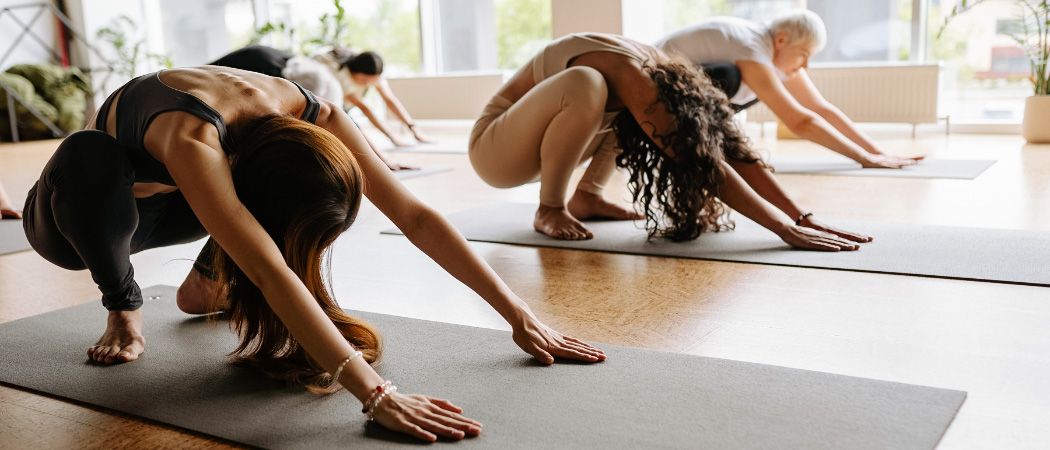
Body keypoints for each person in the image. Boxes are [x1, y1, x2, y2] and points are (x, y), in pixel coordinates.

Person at [21, 66, 605, 442]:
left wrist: (519, 315)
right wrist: (375, 394)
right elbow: (271, 272)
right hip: (76, 223)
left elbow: (415, 216)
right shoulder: (192, 138)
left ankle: (208, 277)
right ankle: (122, 306)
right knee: (89, 156)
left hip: (186, 202)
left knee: (203, 293)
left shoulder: (318, 117)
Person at [470, 32, 871, 249]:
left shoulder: (664, 72)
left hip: (541, 146)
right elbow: (698, 160)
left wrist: (801, 216)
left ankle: (586, 197)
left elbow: (731, 152)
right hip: (496, 151)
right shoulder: (633, 72)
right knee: (585, 83)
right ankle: (549, 208)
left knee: (625, 113)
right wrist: (780, 228)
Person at [656, 10, 922, 169]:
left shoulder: (773, 50)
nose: (806, 65)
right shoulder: (752, 47)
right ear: (782, 39)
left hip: (681, 89)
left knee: (757, 82)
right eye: (804, 55)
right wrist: (863, 158)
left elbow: (820, 109)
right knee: (732, 76)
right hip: (654, 89)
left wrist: (878, 153)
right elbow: (799, 122)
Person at [208, 45, 413, 170]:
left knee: (207, 75)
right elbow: (352, 127)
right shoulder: (328, 94)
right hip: (265, 63)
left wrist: (382, 159)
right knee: (208, 79)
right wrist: (381, 160)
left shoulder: (329, 92)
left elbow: (351, 126)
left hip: (274, 58)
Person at [315, 48, 432, 147]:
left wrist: (413, 128)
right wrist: (392, 137)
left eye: (371, 81)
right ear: (355, 72)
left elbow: (390, 100)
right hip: (327, 100)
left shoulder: (373, 72)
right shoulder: (343, 76)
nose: (367, 84)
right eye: (365, 80)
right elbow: (365, 108)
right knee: (352, 129)